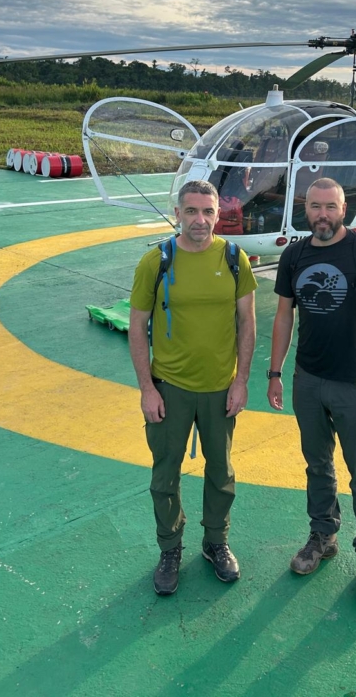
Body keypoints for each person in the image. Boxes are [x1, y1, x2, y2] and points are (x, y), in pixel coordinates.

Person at [267, 177, 356, 603]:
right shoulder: (294, 255)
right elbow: (284, 316)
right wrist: (275, 372)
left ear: (344, 209)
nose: (322, 214)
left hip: (353, 381)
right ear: (305, 209)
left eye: (330, 207)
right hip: (308, 379)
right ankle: (322, 535)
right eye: (315, 206)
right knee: (317, 464)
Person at [129, 179, 257, 595]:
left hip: (220, 389)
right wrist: (147, 389)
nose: (199, 220)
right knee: (165, 476)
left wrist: (241, 381)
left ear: (218, 214)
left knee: (221, 472)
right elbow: (137, 327)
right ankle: (170, 549)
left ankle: (216, 542)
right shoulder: (156, 262)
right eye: (191, 211)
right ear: (178, 213)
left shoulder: (235, 259)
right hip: (171, 388)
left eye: (207, 211)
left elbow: (247, 323)